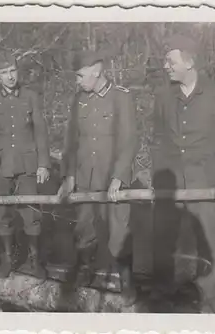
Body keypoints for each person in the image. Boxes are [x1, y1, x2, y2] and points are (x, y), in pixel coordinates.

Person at [150, 35, 215, 313]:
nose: (165, 65)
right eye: (165, 61)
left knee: (206, 241)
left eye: (171, 61)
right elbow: (157, 137)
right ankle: (162, 299)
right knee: (165, 239)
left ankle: (207, 300)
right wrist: (158, 174)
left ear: (190, 62)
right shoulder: (162, 96)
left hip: (204, 181)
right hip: (170, 182)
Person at [57, 49, 139, 306]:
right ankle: (85, 270)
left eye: (81, 75)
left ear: (97, 71)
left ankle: (127, 281)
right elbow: (70, 142)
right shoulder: (78, 100)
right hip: (84, 176)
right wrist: (69, 175)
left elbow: (129, 141)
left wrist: (119, 177)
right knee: (84, 229)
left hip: (111, 179)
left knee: (119, 231)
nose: (77, 81)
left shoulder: (121, 98)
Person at [0, 50, 51, 278]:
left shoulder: (30, 96)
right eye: (4, 72)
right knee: (2, 214)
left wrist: (44, 164)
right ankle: (8, 259)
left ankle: (35, 260)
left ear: (17, 71)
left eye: (12, 71)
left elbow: (41, 132)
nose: (10, 76)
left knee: (32, 214)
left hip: (27, 163)